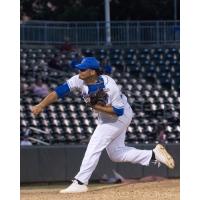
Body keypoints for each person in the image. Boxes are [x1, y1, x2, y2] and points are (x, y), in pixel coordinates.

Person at [32, 57, 175, 193]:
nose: (79, 71)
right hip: (105, 118)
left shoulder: (109, 86)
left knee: (95, 143)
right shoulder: (78, 79)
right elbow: (59, 92)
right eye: (80, 69)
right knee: (116, 154)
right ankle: (153, 155)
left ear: (93, 72)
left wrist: (96, 106)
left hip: (120, 116)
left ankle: (80, 182)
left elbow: (118, 111)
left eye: (83, 69)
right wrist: (41, 105)